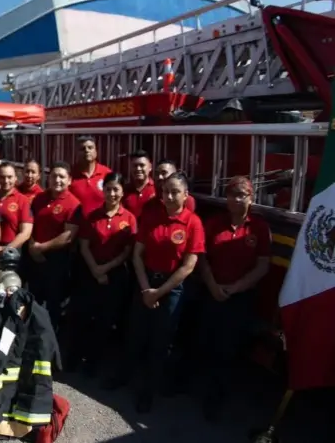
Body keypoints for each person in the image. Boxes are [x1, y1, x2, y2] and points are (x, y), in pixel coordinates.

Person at [106, 172, 204, 414]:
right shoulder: (151, 216)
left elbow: (189, 266)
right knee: (134, 334)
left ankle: (148, 391)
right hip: (145, 281)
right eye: (165, 191)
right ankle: (123, 377)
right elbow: (137, 254)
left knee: (159, 343)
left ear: (185, 195)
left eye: (175, 192)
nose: (169, 196)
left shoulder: (193, 223)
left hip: (171, 290)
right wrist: (144, 289)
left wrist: (159, 292)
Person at [199, 176, 270, 420]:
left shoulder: (258, 227)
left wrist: (235, 288)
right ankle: (202, 388)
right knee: (207, 342)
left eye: (242, 194)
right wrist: (213, 286)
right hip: (212, 292)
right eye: (232, 194)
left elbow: (262, 266)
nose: (236, 199)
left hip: (240, 298)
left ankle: (218, 397)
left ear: (251, 198)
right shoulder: (214, 223)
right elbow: (202, 258)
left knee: (229, 349)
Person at [67, 172, 137, 375]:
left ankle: (93, 362)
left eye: (116, 189)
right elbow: (84, 246)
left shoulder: (129, 218)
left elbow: (127, 252)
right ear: (103, 190)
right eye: (108, 189)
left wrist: (105, 269)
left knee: (105, 322)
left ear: (123, 192)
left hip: (114, 276)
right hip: (89, 272)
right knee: (82, 317)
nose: (112, 193)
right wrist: (95, 269)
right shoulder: (93, 216)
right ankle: (73, 357)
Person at [27, 161, 81, 332]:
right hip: (34, 257)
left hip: (57, 261)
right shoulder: (39, 199)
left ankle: (50, 338)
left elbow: (68, 237)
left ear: (69, 180)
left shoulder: (74, 204)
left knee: (53, 303)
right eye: (54, 176)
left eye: (62, 177)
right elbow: (29, 224)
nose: (57, 180)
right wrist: (32, 246)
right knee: (33, 300)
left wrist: (41, 248)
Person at [0, 161, 33, 251]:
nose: (6, 181)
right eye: (2, 177)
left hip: (12, 251)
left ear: (15, 178)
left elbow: (26, 233)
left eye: (9, 177)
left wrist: (6, 249)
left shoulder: (22, 200)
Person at [68, 136, 112, 217]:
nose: (87, 150)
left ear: (96, 151)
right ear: (77, 153)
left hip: (101, 225)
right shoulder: (69, 174)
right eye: (82, 149)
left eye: (90, 148)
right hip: (76, 226)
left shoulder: (107, 173)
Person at [122, 150, 155, 217]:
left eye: (142, 165)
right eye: (135, 165)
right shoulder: (124, 190)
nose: (138, 169)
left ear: (150, 167)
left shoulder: (156, 189)